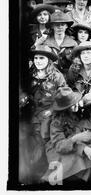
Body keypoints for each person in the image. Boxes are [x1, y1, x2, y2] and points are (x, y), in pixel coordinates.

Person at [28, 46, 67, 180]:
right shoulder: (29, 73)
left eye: (42, 58)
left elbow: (63, 97)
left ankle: (46, 170)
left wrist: (51, 111)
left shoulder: (57, 76)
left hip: (51, 113)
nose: (38, 61)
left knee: (44, 135)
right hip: (32, 111)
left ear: (49, 60)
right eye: (36, 58)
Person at [44, 87, 91, 183]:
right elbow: (59, 145)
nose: (76, 105)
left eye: (75, 101)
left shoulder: (76, 112)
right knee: (75, 162)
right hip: (58, 149)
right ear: (64, 109)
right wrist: (75, 138)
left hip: (76, 145)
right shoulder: (56, 122)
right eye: (72, 105)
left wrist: (83, 145)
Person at [36, 10, 78, 75]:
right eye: (57, 25)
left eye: (62, 24)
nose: (60, 27)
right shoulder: (45, 43)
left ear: (66, 26)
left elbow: (77, 64)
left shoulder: (73, 44)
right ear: (52, 26)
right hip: (50, 76)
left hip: (69, 76)